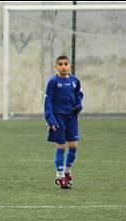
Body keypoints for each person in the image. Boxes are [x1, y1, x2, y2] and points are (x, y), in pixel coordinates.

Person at [45, 55, 83, 189]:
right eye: (60, 64)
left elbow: (79, 96)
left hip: (72, 118)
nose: (63, 66)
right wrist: (50, 120)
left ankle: (67, 171)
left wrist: (79, 106)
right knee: (61, 146)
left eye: (66, 64)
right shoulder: (53, 82)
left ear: (70, 66)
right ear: (56, 67)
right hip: (58, 117)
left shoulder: (75, 81)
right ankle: (60, 175)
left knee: (73, 145)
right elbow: (48, 102)